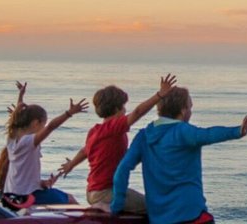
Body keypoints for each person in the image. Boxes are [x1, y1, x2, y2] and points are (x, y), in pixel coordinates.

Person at [111, 85, 247, 224]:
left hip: (159, 219)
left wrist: (117, 206)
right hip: (191, 215)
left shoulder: (143, 136)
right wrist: (238, 131)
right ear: (182, 110)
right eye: (190, 107)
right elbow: (208, 134)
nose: (190, 112)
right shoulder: (183, 131)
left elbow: (122, 170)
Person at [52, 74, 178, 214]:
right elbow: (137, 113)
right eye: (124, 107)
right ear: (117, 108)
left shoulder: (95, 131)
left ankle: (104, 206)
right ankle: (106, 207)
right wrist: (159, 95)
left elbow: (84, 151)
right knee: (156, 206)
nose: (125, 110)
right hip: (106, 193)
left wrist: (71, 165)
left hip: (92, 192)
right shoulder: (113, 128)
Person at [0, 81, 87, 211]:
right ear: (36, 123)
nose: (43, 128)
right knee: (70, 200)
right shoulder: (29, 141)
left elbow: (17, 116)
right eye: (43, 124)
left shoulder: (12, 138)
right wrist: (69, 113)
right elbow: (52, 127)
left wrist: (41, 183)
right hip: (27, 196)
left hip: (11, 194)